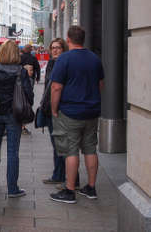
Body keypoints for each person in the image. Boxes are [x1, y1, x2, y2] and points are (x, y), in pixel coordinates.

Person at [49, 26, 104, 204]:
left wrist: (54, 109)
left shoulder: (64, 59)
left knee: (71, 150)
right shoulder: (95, 59)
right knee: (90, 148)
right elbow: (100, 84)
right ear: (83, 39)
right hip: (91, 112)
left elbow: (56, 87)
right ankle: (91, 187)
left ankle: (70, 190)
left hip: (70, 112)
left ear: (69, 39)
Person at [0, 40, 33, 197]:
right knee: (13, 152)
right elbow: (29, 95)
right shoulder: (21, 72)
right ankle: (13, 188)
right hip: (14, 115)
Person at [40, 38, 68, 185]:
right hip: (51, 110)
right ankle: (58, 175)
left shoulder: (65, 64)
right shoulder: (51, 63)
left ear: (64, 49)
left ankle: (68, 177)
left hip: (60, 110)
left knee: (62, 145)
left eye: (58, 48)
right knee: (56, 144)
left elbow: (58, 88)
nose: (55, 50)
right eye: (53, 48)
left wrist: (54, 108)